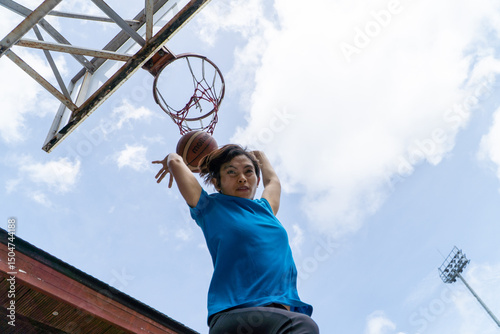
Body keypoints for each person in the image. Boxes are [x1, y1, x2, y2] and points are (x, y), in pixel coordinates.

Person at [153, 144, 319, 333]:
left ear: (256, 179)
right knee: (302, 326)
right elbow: (175, 160)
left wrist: (260, 156)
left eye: (248, 172)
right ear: (217, 183)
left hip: (275, 320)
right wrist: (171, 159)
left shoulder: (266, 210)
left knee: (298, 324)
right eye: (231, 172)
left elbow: (273, 181)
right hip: (236, 316)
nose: (242, 178)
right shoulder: (210, 208)